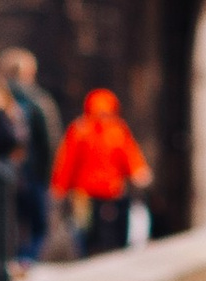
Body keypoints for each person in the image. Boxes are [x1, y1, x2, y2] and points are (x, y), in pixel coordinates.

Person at [52, 85, 151, 255]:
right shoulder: (81, 131)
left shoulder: (116, 130)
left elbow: (130, 155)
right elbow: (68, 161)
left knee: (110, 232)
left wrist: (138, 171)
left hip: (110, 192)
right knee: (85, 231)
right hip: (85, 194)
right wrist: (59, 186)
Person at [0, 49, 61, 267]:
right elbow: (48, 141)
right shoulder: (37, 100)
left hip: (1, 172)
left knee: (9, 223)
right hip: (32, 173)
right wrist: (47, 175)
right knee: (38, 226)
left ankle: (13, 261)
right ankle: (25, 262)